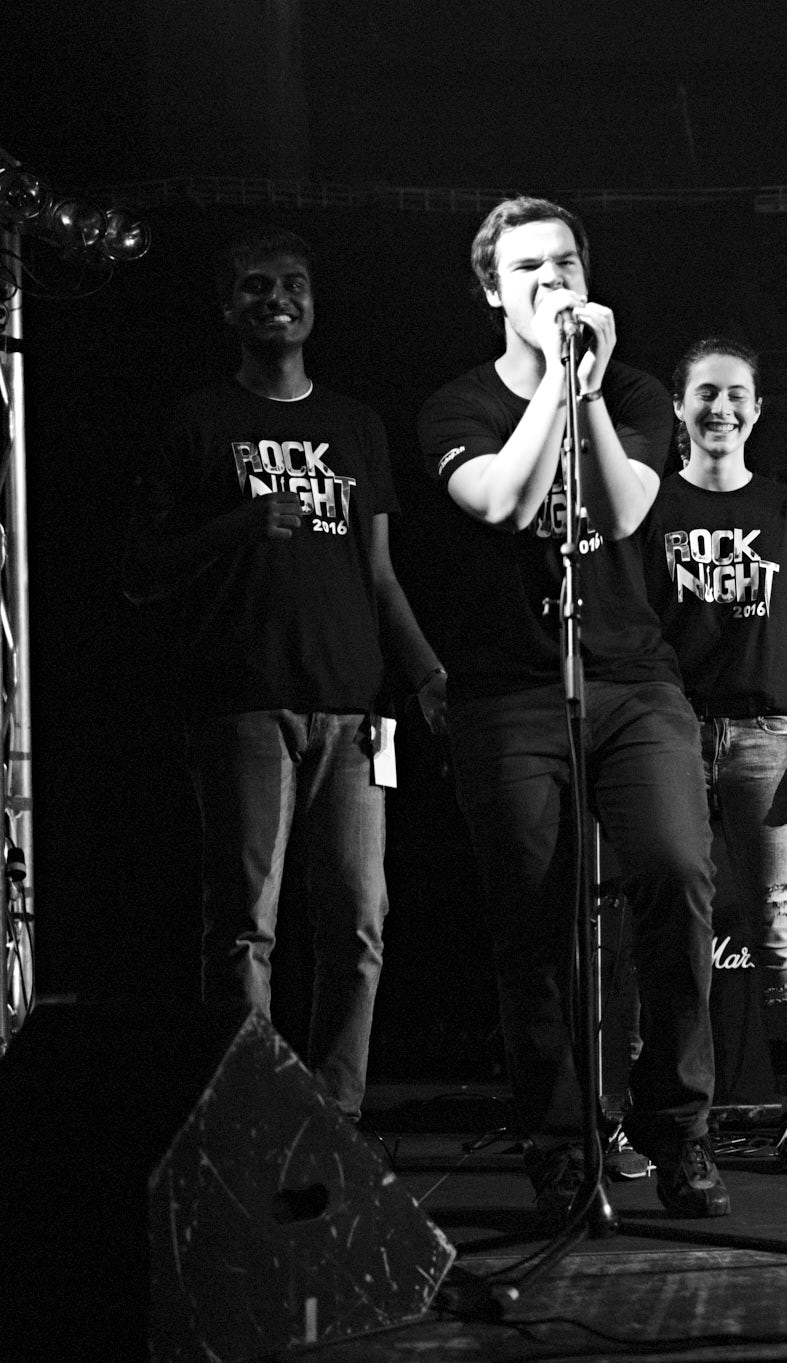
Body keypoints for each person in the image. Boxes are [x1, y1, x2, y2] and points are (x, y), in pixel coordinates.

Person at [416, 196, 726, 1222]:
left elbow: (626, 507)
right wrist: (555, 379)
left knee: (676, 873)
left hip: (631, 679)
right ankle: (558, 1143)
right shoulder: (457, 405)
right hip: (508, 690)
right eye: (527, 270)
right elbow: (505, 500)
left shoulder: (632, 390)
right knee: (532, 919)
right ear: (491, 292)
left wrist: (585, 386)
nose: (551, 283)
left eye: (565, 265)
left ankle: (677, 1127)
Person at [122, 228, 446, 1123]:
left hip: (352, 709)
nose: (277, 299)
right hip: (243, 703)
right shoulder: (197, 421)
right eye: (256, 287)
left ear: (313, 302)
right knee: (244, 925)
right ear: (228, 309)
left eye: (293, 284)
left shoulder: (355, 425)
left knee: (360, 922)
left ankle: (335, 1115)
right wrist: (238, 524)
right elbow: (139, 572)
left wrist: (426, 673)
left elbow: (380, 574)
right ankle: (250, 1115)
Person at [644, 338, 787, 1172]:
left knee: (777, 921)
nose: (720, 408)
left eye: (735, 395)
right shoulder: (648, 504)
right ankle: (652, 1116)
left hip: (769, 736)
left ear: (757, 410)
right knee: (662, 923)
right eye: (704, 393)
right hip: (669, 734)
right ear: (679, 408)